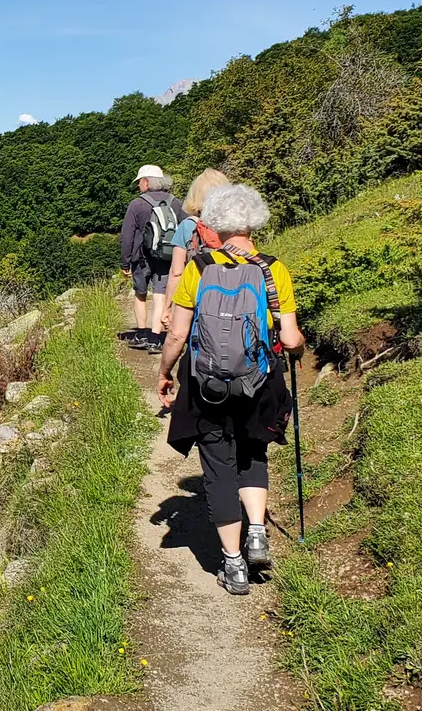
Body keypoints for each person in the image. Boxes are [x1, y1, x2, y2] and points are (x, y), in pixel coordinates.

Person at [157, 184, 305, 596]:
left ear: (215, 224)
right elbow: (290, 339)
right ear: (254, 221)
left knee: (219, 467)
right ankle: (257, 533)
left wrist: (165, 372)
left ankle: (233, 565)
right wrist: (299, 344)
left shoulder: (198, 267)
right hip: (258, 381)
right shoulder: (273, 269)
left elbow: (178, 335)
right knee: (252, 452)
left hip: (207, 385)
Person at [118, 165, 183, 352]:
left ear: (146, 181)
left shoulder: (137, 204)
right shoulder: (175, 202)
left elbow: (127, 236)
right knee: (160, 296)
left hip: (141, 257)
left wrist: (125, 261)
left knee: (140, 294)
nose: (139, 185)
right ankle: (155, 337)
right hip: (167, 256)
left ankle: (141, 333)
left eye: (139, 182)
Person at [165, 168, 233, 301]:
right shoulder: (237, 225)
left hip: (199, 297)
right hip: (234, 294)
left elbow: (176, 273)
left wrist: (167, 307)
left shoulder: (188, 225)